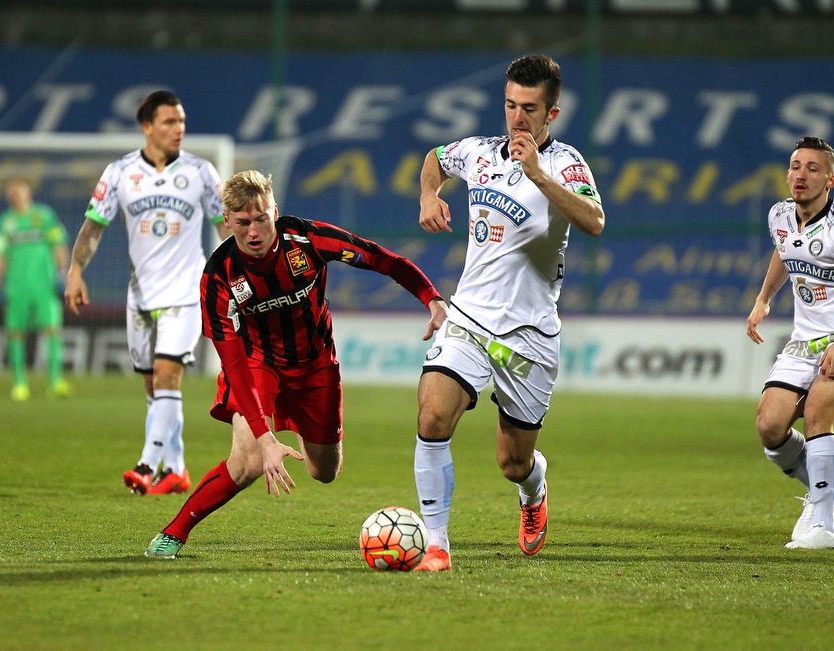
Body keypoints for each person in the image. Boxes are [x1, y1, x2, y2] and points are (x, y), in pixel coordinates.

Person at [142, 169, 447, 559]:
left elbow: (382, 259)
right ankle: (174, 532)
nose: (253, 231)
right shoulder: (219, 277)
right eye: (242, 223)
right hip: (257, 365)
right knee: (249, 459)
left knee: (324, 472)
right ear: (227, 221)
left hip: (316, 365)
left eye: (261, 219)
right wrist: (264, 438)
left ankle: (294, 423)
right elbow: (233, 363)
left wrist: (432, 297)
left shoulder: (308, 240)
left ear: (275, 210)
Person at [411, 54, 605, 570]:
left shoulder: (566, 165)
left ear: (551, 114)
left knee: (512, 461)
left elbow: (594, 221)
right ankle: (436, 545)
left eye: (530, 109)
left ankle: (534, 490)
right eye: (511, 106)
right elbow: (434, 157)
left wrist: (537, 175)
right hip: (469, 319)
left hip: (529, 335)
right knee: (432, 415)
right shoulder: (476, 152)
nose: (518, 118)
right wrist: (430, 195)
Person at [65, 90, 230, 496]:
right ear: (147, 127)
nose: (179, 129)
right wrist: (75, 271)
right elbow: (93, 228)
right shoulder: (120, 172)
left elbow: (225, 227)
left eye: (182, 122)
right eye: (170, 122)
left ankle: (145, 465)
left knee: (167, 375)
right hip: (140, 295)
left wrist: (238, 274)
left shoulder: (201, 172)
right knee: (154, 389)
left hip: (189, 289)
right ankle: (175, 468)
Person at [746, 136, 834, 550]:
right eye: (796, 166)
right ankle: (824, 490)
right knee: (770, 426)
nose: (801, 175)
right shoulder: (780, 214)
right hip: (803, 341)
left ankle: (823, 523)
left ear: (830, 179)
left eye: (812, 168)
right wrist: (764, 299)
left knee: (818, 415)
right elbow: (784, 252)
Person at [0, 177, 72, 401]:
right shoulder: (5, 222)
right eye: (12, 193)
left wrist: (62, 273)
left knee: (52, 329)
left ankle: (55, 382)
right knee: (15, 333)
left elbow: (58, 244)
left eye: (19, 191)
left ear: (28, 194)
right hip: (16, 287)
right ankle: (19, 384)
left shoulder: (44, 216)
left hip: (44, 285)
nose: (15, 196)